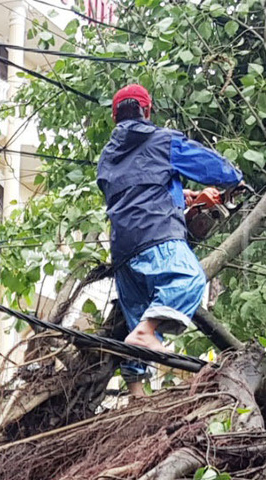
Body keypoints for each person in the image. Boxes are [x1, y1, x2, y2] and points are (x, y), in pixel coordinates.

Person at [95, 83, 243, 353]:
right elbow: (209, 165)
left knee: (134, 324)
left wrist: (176, 194)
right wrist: (235, 178)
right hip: (156, 235)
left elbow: (130, 191)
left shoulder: (106, 159)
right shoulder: (162, 140)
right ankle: (147, 330)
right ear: (147, 111)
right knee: (190, 279)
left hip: (123, 251)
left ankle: (136, 391)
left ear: (115, 117)